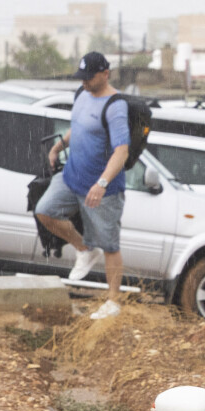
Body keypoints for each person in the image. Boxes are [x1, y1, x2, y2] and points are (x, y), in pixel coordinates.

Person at [37, 51, 130, 320]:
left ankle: (113, 301)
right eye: (82, 77)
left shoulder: (115, 106)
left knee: (110, 245)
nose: (85, 82)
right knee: (44, 211)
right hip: (71, 177)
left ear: (105, 74)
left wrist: (102, 183)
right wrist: (58, 146)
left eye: (90, 77)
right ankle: (84, 249)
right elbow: (77, 127)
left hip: (103, 191)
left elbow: (121, 151)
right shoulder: (81, 93)